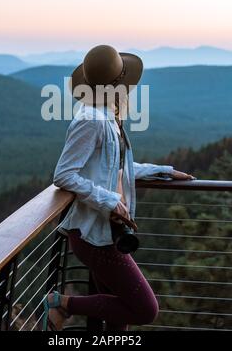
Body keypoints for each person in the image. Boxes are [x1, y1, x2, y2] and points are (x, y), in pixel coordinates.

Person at [43, 45, 195, 331]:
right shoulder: (91, 121)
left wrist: (162, 171)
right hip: (92, 235)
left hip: (105, 232)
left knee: (117, 318)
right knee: (144, 309)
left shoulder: (107, 117)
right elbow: (63, 174)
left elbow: (113, 169)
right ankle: (61, 303)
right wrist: (109, 201)